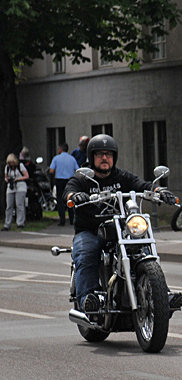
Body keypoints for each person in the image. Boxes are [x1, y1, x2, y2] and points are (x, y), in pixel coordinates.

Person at [64, 134, 170, 313]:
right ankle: (87, 300)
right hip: (90, 230)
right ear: (91, 157)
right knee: (86, 254)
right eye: (100, 154)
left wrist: (158, 190)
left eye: (109, 154)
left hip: (119, 229)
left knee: (142, 248)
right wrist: (74, 196)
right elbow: (68, 191)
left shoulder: (121, 177)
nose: (105, 158)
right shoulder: (82, 178)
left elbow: (140, 184)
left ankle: (160, 294)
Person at [48, 142, 77, 226]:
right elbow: (77, 169)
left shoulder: (56, 158)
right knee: (70, 198)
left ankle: (62, 220)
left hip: (59, 180)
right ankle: (72, 219)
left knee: (60, 200)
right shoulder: (72, 159)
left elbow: (51, 170)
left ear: (60, 149)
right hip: (69, 180)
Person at [4, 153, 29, 230]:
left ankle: (20, 223)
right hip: (11, 187)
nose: (11, 164)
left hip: (20, 186)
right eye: (10, 163)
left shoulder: (20, 166)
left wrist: (17, 179)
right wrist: (8, 180)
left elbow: (26, 176)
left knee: (19, 205)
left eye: (12, 162)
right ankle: (7, 224)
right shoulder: (7, 168)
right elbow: (6, 177)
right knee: (9, 206)